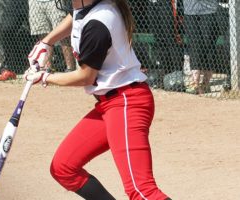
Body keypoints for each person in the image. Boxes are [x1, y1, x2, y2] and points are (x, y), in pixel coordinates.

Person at [25, 0, 173, 199]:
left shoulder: (99, 23)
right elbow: (74, 17)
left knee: (141, 190)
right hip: (109, 104)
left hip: (127, 103)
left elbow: (86, 77)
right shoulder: (87, 7)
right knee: (63, 167)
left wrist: (46, 77)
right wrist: (46, 42)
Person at [183, 0, 220, 95]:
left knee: (208, 46)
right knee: (194, 46)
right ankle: (195, 83)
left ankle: (205, 84)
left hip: (210, 10)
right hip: (190, 11)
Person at [28, 0, 76, 72]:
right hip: (35, 2)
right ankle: (47, 68)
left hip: (55, 2)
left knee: (63, 34)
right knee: (43, 35)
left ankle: (70, 68)